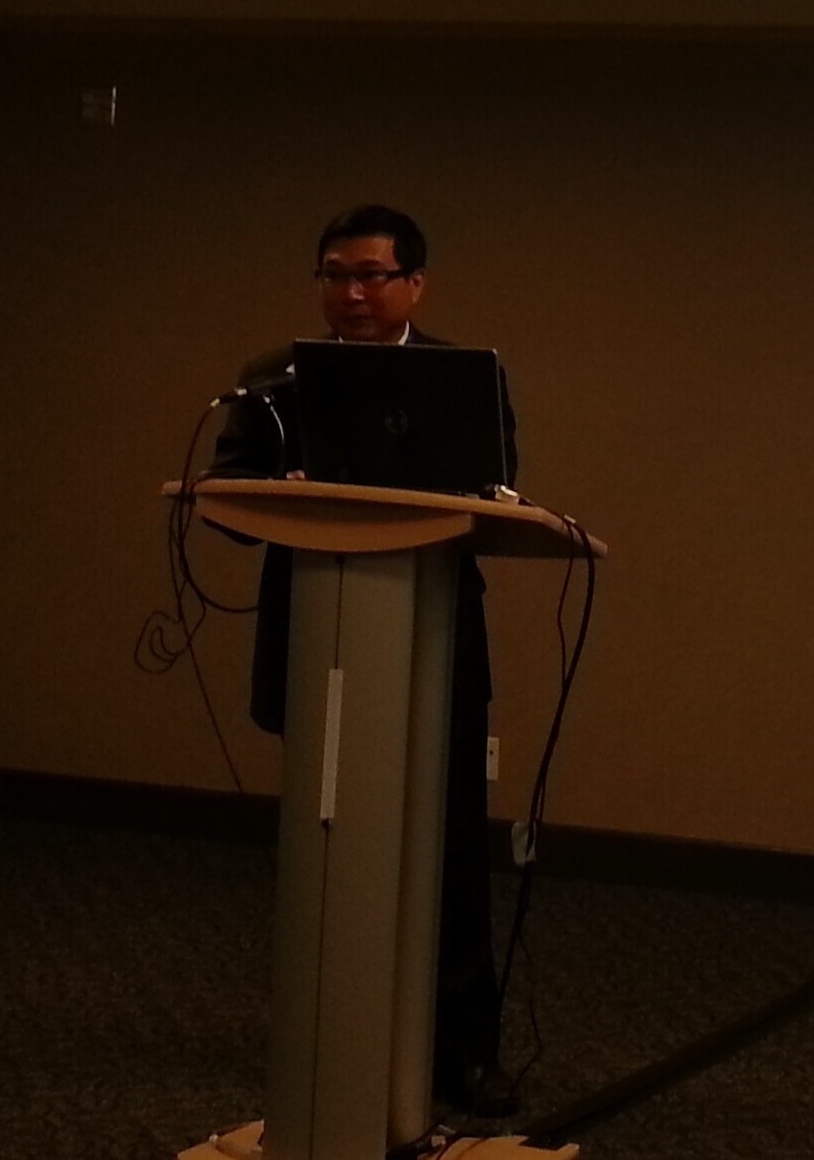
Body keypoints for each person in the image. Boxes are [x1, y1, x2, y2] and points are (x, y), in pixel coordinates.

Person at [209, 204, 513, 1117]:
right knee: (327, 841)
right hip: (319, 632)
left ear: (414, 285)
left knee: (447, 853)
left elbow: (497, 490)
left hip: (432, 636)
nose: (351, 293)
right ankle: (327, 1039)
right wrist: (282, 491)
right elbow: (228, 495)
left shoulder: (465, 377)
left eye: (372, 276)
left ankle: (461, 1054)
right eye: (335, 274)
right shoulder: (273, 380)